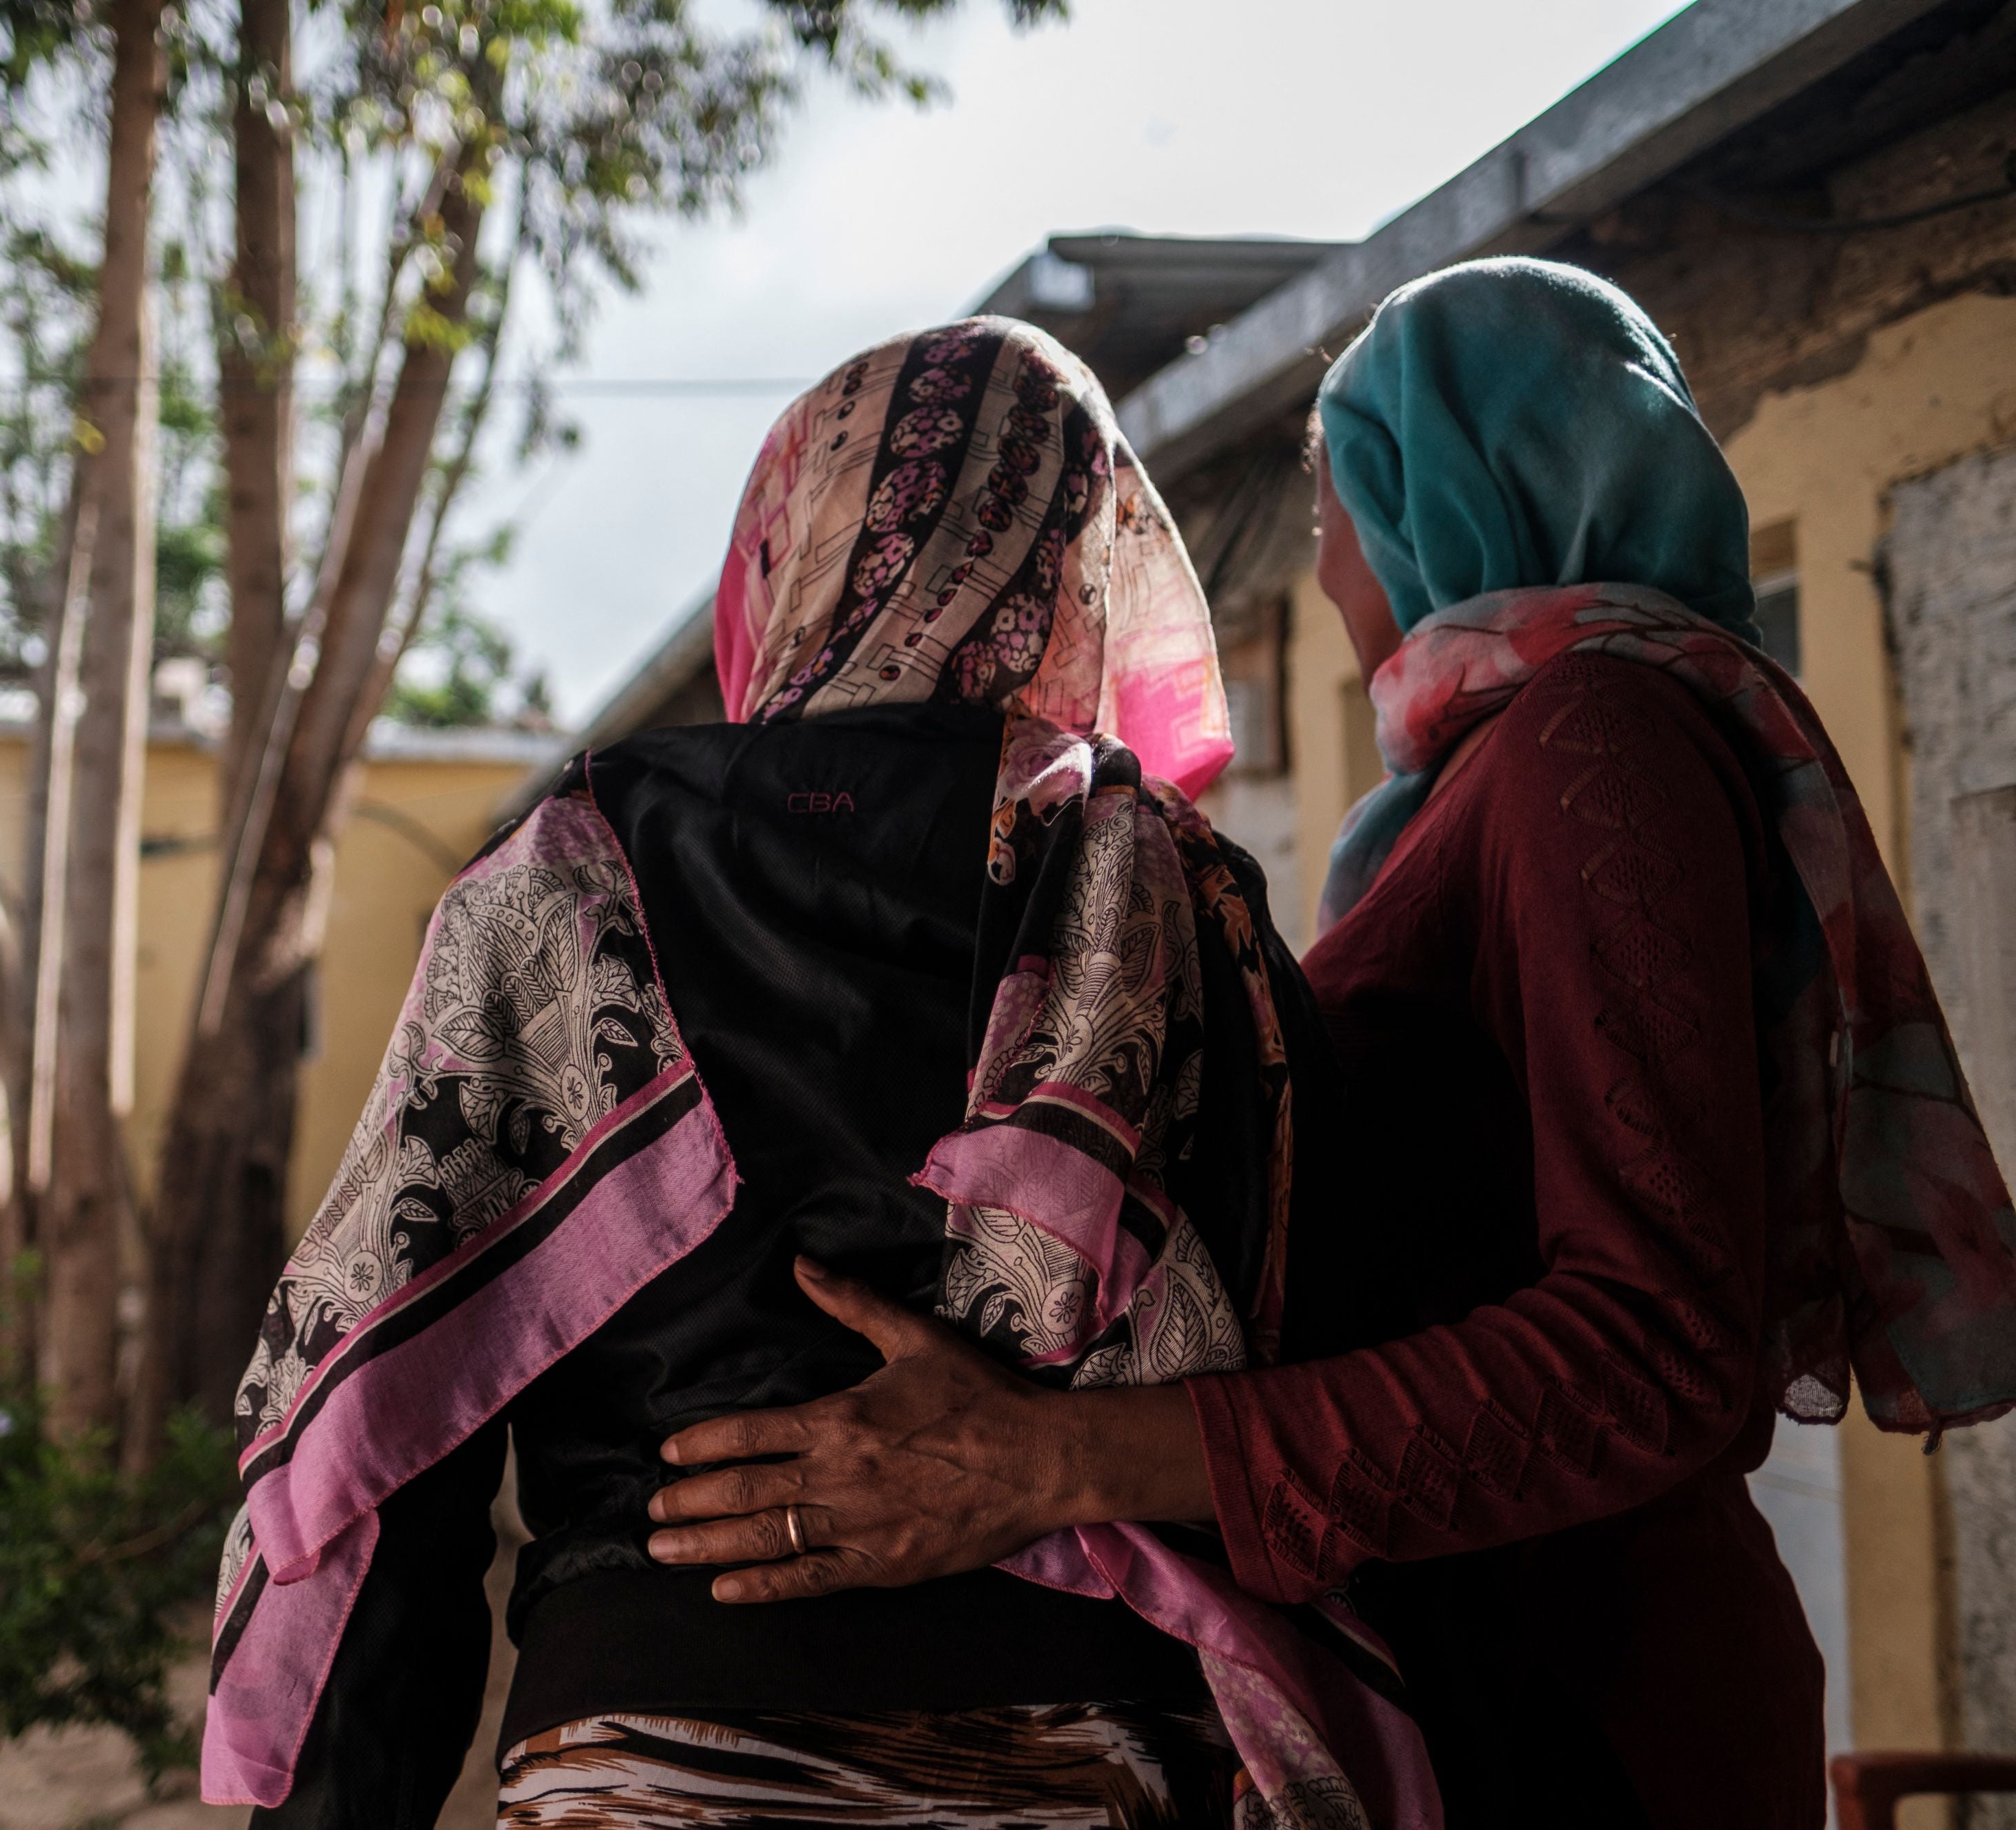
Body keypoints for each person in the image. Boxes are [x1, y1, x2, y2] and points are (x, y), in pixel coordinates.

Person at [645, 259, 2016, 1830]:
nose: (1323, 583)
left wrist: (1053, 1466)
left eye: (1328, 520)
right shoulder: (1503, 783)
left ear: (1444, 493)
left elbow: (1650, 1356)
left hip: (1581, 1716)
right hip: (1490, 1671)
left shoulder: (1595, 741)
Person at [204, 317, 1441, 1830]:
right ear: (1083, 559)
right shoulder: (1170, 901)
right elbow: (1330, 1372)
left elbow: (391, 1430)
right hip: (1080, 1754)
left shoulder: (567, 882)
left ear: (789, 543)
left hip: (650, 1746)